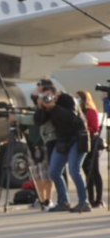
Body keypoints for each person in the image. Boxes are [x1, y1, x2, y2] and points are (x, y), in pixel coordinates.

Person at [35, 84, 90, 212]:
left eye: (48, 95)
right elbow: (39, 121)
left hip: (78, 137)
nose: (47, 98)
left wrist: (54, 107)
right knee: (54, 171)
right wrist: (41, 107)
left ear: (56, 94)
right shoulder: (48, 106)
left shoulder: (68, 99)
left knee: (74, 170)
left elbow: (70, 118)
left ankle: (84, 202)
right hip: (63, 140)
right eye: (44, 96)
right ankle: (63, 202)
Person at [77, 90, 104, 208]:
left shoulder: (90, 111)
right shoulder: (79, 112)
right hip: (82, 143)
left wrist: (82, 127)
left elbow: (94, 128)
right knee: (87, 172)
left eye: (78, 98)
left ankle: (98, 199)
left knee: (94, 171)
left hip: (92, 144)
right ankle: (90, 198)